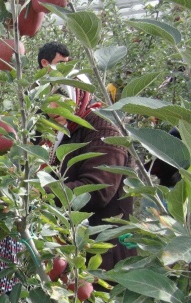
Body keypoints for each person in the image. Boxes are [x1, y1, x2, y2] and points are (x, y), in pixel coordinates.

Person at [37, 42, 137, 271]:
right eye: (45, 99)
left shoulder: (104, 129)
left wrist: (40, 194)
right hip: (74, 245)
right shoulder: (60, 130)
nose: (52, 107)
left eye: (60, 97)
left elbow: (96, 190)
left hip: (104, 248)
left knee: (103, 299)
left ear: (78, 95)